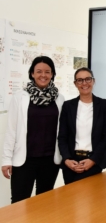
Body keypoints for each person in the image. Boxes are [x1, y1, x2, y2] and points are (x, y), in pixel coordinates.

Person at [1, 56, 65, 203]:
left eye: (47, 72)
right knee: (19, 202)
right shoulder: (20, 97)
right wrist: (6, 160)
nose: (43, 75)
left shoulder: (59, 98)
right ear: (32, 73)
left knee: (44, 202)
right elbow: (11, 130)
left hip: (50, 160)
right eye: (39, 71)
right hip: (25, 161)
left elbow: (62, 130)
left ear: (52, 74)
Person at [58, 67, 106, 184]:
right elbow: (62, 136)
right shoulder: (68, 106)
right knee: (70, 199)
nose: (84, 83)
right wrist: (67, 159)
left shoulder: (104, 105)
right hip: (71, 162)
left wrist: (93, 160)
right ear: (75, 83)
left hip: (94, 160)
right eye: (80, 80)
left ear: (93, 81)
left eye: (88, 79)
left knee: (92, 199)